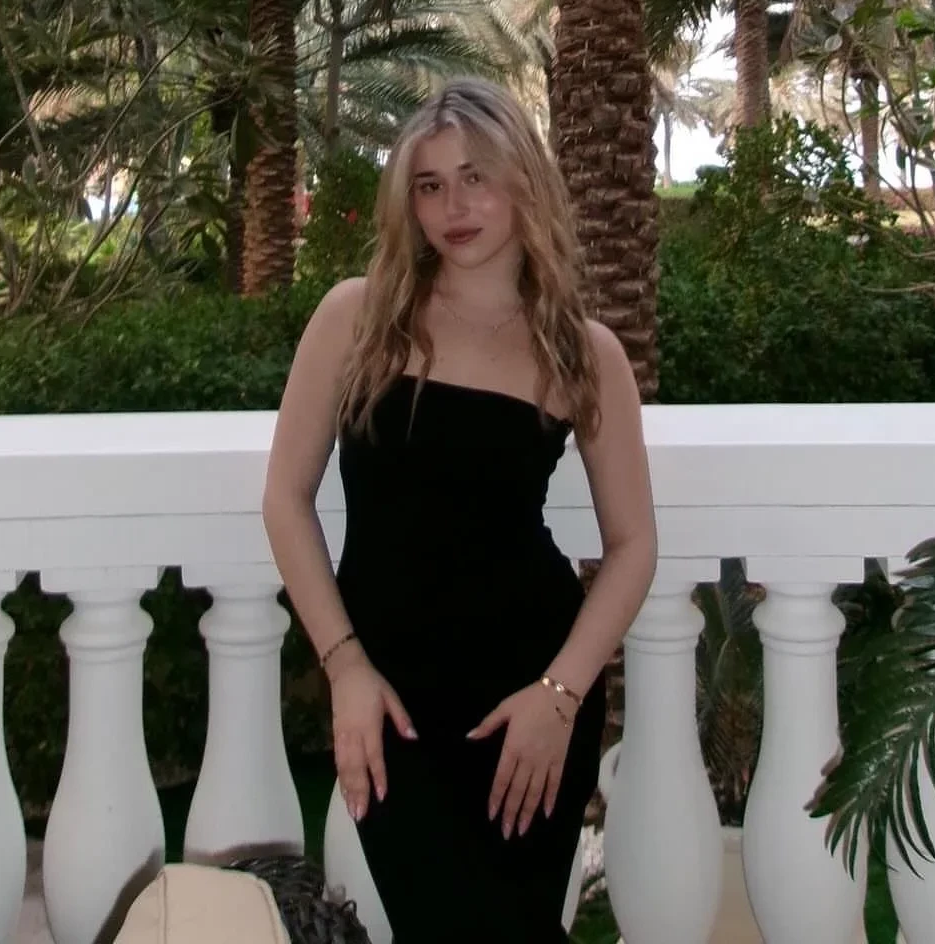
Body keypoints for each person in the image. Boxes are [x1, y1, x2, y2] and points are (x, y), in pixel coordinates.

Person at [261, 77, 658, 944]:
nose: (454, 206)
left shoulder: (582, 353)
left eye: (476, 177)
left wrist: (560, 696)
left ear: (523, 179)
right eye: (430, 185)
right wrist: (346, 670)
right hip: (390, 699)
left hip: (528, 696)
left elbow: (633, 546)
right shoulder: (356, 319)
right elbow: (285, 500)